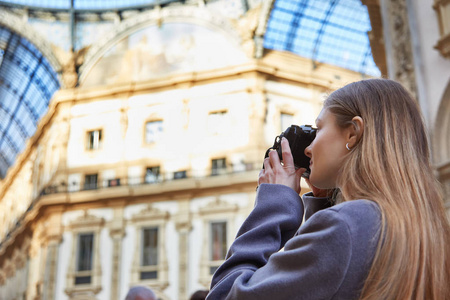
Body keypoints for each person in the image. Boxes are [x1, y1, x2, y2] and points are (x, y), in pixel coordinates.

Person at [206, 79, 450, 300]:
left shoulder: (345, 227)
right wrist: (323, 203)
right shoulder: (427, 228)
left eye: (319, 128)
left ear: (353, 133)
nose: (309, 148)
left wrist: (274, 205)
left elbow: (225, 295)